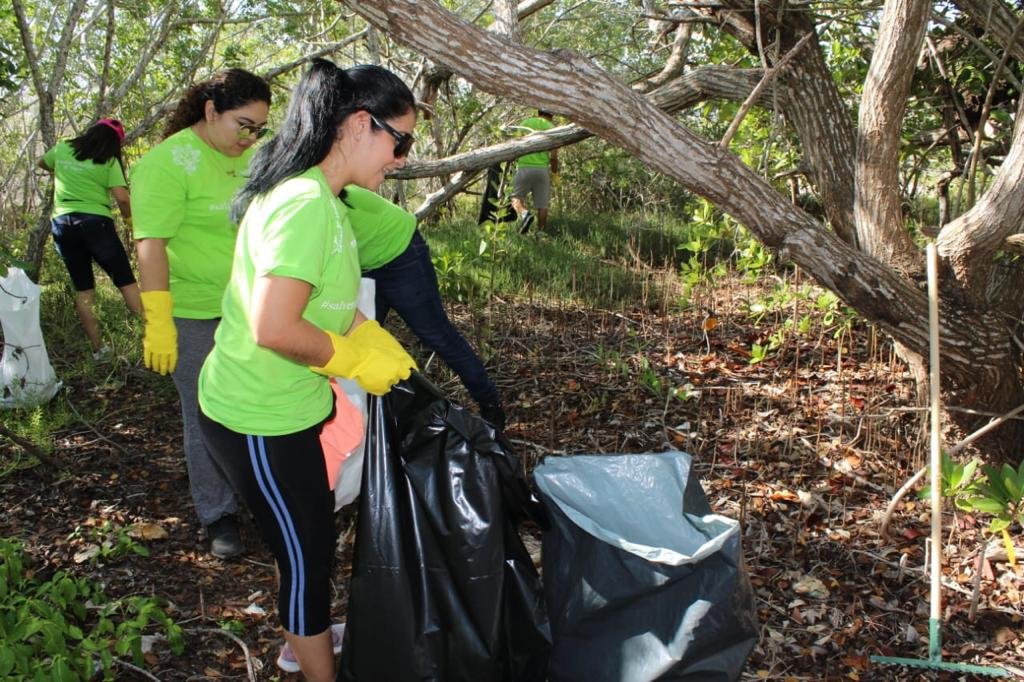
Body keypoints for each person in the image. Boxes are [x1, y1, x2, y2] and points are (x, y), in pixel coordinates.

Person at [195, 59, 417, 681]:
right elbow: (275, 327)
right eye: (399, 142)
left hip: (294, 403)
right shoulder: (304, 205)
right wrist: (350, 360)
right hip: (258, 415)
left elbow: (330, 309)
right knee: (306, 554)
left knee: (303, 537)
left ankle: (304, 631)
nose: (400, 160)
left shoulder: (330, 202)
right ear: (357, 125)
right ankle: (313, 662)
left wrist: (374, 343)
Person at [131, 68, 272, 559]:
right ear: (211, 111)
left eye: (259, 128)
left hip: (248, 307)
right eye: (243, 125)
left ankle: (259, 496)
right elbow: (150, 246)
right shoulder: (166, 164)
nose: (250, 137)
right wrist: (158, 321)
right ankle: (218, 514)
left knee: (256, 405)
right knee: (204, 415)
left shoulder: (251, 159)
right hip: (192, 313)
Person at [345, 185, 507, 428]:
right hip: (367, 263)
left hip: (400, 252)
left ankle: (491, 406)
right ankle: (365, 421)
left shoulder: (317, 190)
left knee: (437, 335)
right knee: (357, 341)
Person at [38, 119, 141, 354]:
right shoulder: (108, 159)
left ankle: (98, 350)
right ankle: (150, 338)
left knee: (84, 288)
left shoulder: (63, 148)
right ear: (114, 142)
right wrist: (130, 222)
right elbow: (122, 198)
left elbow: (42, 162)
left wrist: (61, 169)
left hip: (63, 224)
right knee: (126, 282)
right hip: (96, 224)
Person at [511, 109, 559, 233]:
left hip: (524, 167)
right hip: (542, 170)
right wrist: (554, 173)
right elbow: (554, 156)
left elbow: (515, 144)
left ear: (538, 112)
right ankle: (540, 234)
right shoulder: (552, 127)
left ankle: (525, 214)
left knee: (516, 199)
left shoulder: (525, 122)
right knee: (542, 206)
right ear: (552, 114)